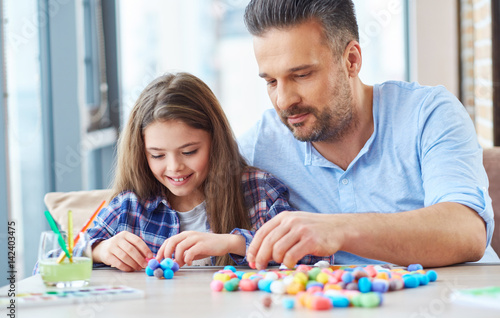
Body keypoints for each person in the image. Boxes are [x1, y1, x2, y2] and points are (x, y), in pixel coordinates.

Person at [238, 0, 498, 270]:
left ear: (351, 60)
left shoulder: (429, 113)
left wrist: (338, 229)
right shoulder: (262, 143)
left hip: (462, 303)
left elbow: (467, 231)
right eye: (270, 81)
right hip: (338, 309)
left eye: (302, 74)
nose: (283, 100)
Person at [86, 72, 333, 272]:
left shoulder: (257, 191)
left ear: (215, 142)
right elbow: (59, 255)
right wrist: (100, 249)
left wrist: (232, 243)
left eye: (189, 151)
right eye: (158, 155)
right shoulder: (131, 207)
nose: (174, 167)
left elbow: (316, 257)